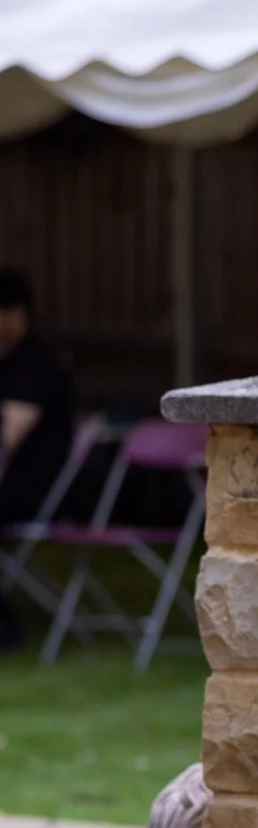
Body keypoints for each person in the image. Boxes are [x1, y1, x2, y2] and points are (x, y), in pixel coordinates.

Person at [0, 269, 74, 648]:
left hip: (36, 489)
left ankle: (6, 626)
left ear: (14, 312)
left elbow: (6, 440)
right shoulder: (12, 360)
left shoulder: (34, 365)